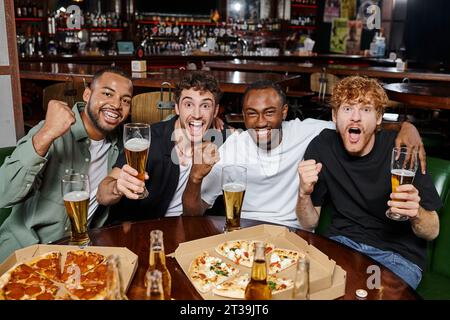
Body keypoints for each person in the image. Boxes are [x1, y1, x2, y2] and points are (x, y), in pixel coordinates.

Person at [182, 80, 425, 229]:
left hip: (294, 235)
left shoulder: (308, 131)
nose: (260, 122)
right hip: (243, 232)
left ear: (284, 111)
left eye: (269, 112)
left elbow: (355, 123)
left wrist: (406, 126)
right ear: (243, 115)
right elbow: (194, 212)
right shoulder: (231, 147)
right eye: (251, 113)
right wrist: (194, 178)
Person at [296, 76, 441, 289]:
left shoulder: (402, 150)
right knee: (300, 287)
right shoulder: (322, 146)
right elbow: (309, 223)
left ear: (379, 118)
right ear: (335, 116)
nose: (355, 118)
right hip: (341, 245)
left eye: (365, 109)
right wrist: (304, 194)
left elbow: (432, 230)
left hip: (396, 257)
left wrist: (416, 212)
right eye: (347, 109)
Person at [0, 67, 133, 262]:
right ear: (87, 94)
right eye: (107, 93)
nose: (116, 104)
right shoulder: (53, 132)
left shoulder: (121, 146)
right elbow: (4, 194)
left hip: (79, 254)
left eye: (125, 100)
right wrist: (47, 133)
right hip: (27, 251)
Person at [97, 71, 228, 222]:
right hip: (142, 232)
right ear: (177, 108)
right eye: (189, 104)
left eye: (205, 106)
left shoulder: (221, 140)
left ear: (215, 111)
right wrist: (117, 187)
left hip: (188, 229)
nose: (197, 114)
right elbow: (102, 194)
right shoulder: (150, 140)